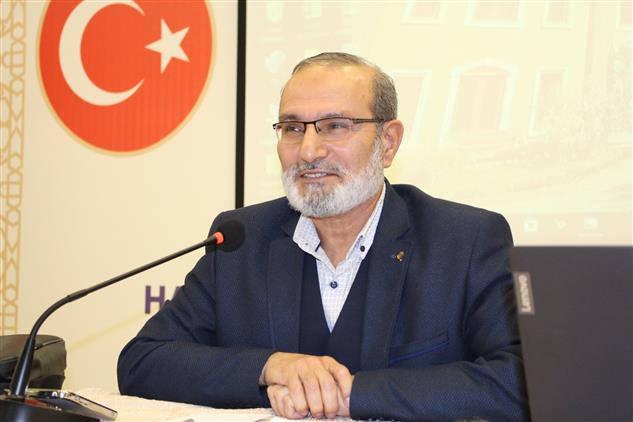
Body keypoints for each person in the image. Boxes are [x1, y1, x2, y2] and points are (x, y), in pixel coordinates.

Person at [118, 52, 528, 421]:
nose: (309, 151)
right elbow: (142, 361)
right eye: (293, 128)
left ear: (387, 143)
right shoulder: (241, 240)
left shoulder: (465, 240)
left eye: (334, 126)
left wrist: (351, 396)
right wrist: (270, 367)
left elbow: (518, 381)